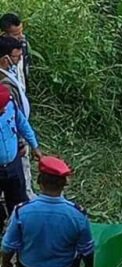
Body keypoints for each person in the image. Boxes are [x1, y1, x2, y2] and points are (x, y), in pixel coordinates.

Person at [0, 84, 40, 229]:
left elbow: (22, 124)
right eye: (0, 107)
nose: (4, 109)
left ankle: (18, 230)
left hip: (13, 165)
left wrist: (35, 146)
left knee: (18, 201)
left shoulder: (10, 105)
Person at [0, 36, 35, 200]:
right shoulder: (4, 84)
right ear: (5, 59)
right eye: (16, 56)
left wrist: (33, 144)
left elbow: (19, 119)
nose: (20, 58)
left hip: (13, 152)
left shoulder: (11, 73)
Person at [0, 13, 29, 90]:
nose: (22, 36)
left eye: (21, 31)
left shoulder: (23, 44)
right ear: (4, 33)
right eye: (16, 34)